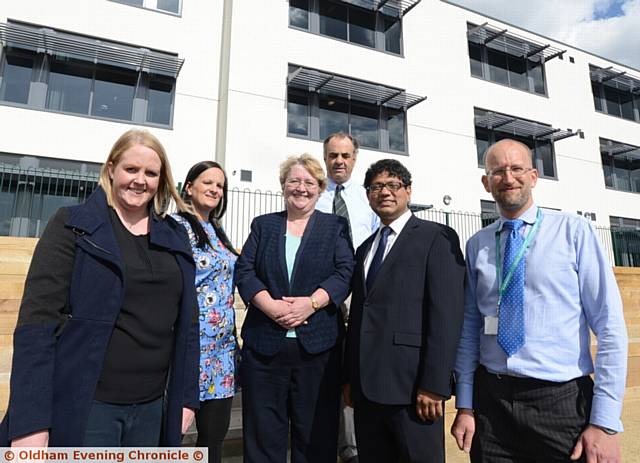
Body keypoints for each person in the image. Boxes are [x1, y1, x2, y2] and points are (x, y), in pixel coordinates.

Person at [0, 129, 199, 447]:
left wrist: (187, 398)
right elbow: (36, 327)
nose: (140, 180)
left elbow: (189, 323)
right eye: (131, 169)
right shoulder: (72, 226)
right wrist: (30, 422)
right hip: (88, 408)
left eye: (150, 173)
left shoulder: (175, 236)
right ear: (111, 169)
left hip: (152, 412)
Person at [451, 139, 628, 462]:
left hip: (561, 404)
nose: (508, 177)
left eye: (517, 168)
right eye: (498, 171)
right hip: (493, 407)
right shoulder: (478, 245)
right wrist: (465, 404)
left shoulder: (574, 232)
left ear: (533, 177)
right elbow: (470, 328)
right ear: (485, 181)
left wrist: (604, 422)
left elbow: (610, 327)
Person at [235, 154, 355, 463]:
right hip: (265, 349)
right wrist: (270, 306)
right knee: (263, 436)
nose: (300, 188)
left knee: (316, 434)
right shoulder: (264, 225)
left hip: (318, 350)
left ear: (319, 187)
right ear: (283, 186)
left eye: (308, 182)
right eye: (294, 181)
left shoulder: (334, 226)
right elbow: (245, 271)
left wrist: (311, 304)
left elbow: (345, 273)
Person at [344, 159, 465, 463]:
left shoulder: (436, 237)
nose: (384, 192)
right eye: (376, 187)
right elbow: (359, 314)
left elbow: (447, 315)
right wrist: (350, 378)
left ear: (408, 191)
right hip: (367, 391)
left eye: (393, 185)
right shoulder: (365, 249)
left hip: (414, 391)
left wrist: (435, 384)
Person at [316, 132, 379, 463]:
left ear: (355, 158)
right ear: (325, 157)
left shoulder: (367, 198)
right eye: (332, 155)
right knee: (327, 363)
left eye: (345, 155)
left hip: (360, 291)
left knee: (355, 363)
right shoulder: (313, 194)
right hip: (322, 291)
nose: (338, 161)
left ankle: (353, 447)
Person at [172, 161, 239, 463]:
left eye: (220, 185)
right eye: (207, 182)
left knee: (213, 440)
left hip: (221, 356)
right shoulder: (173, 227)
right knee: (171, 437)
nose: (215, 189)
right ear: (189, 187)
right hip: (186, 350)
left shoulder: (219, 231)